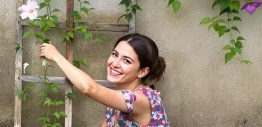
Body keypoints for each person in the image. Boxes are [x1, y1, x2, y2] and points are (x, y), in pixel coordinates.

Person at [39, 33, 169, 126]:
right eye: (114, 54)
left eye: (126, 60)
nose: (115, 63)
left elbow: (89, 88)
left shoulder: (141, 99)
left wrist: (57, 56)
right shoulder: (117, 100)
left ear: (142, 71)